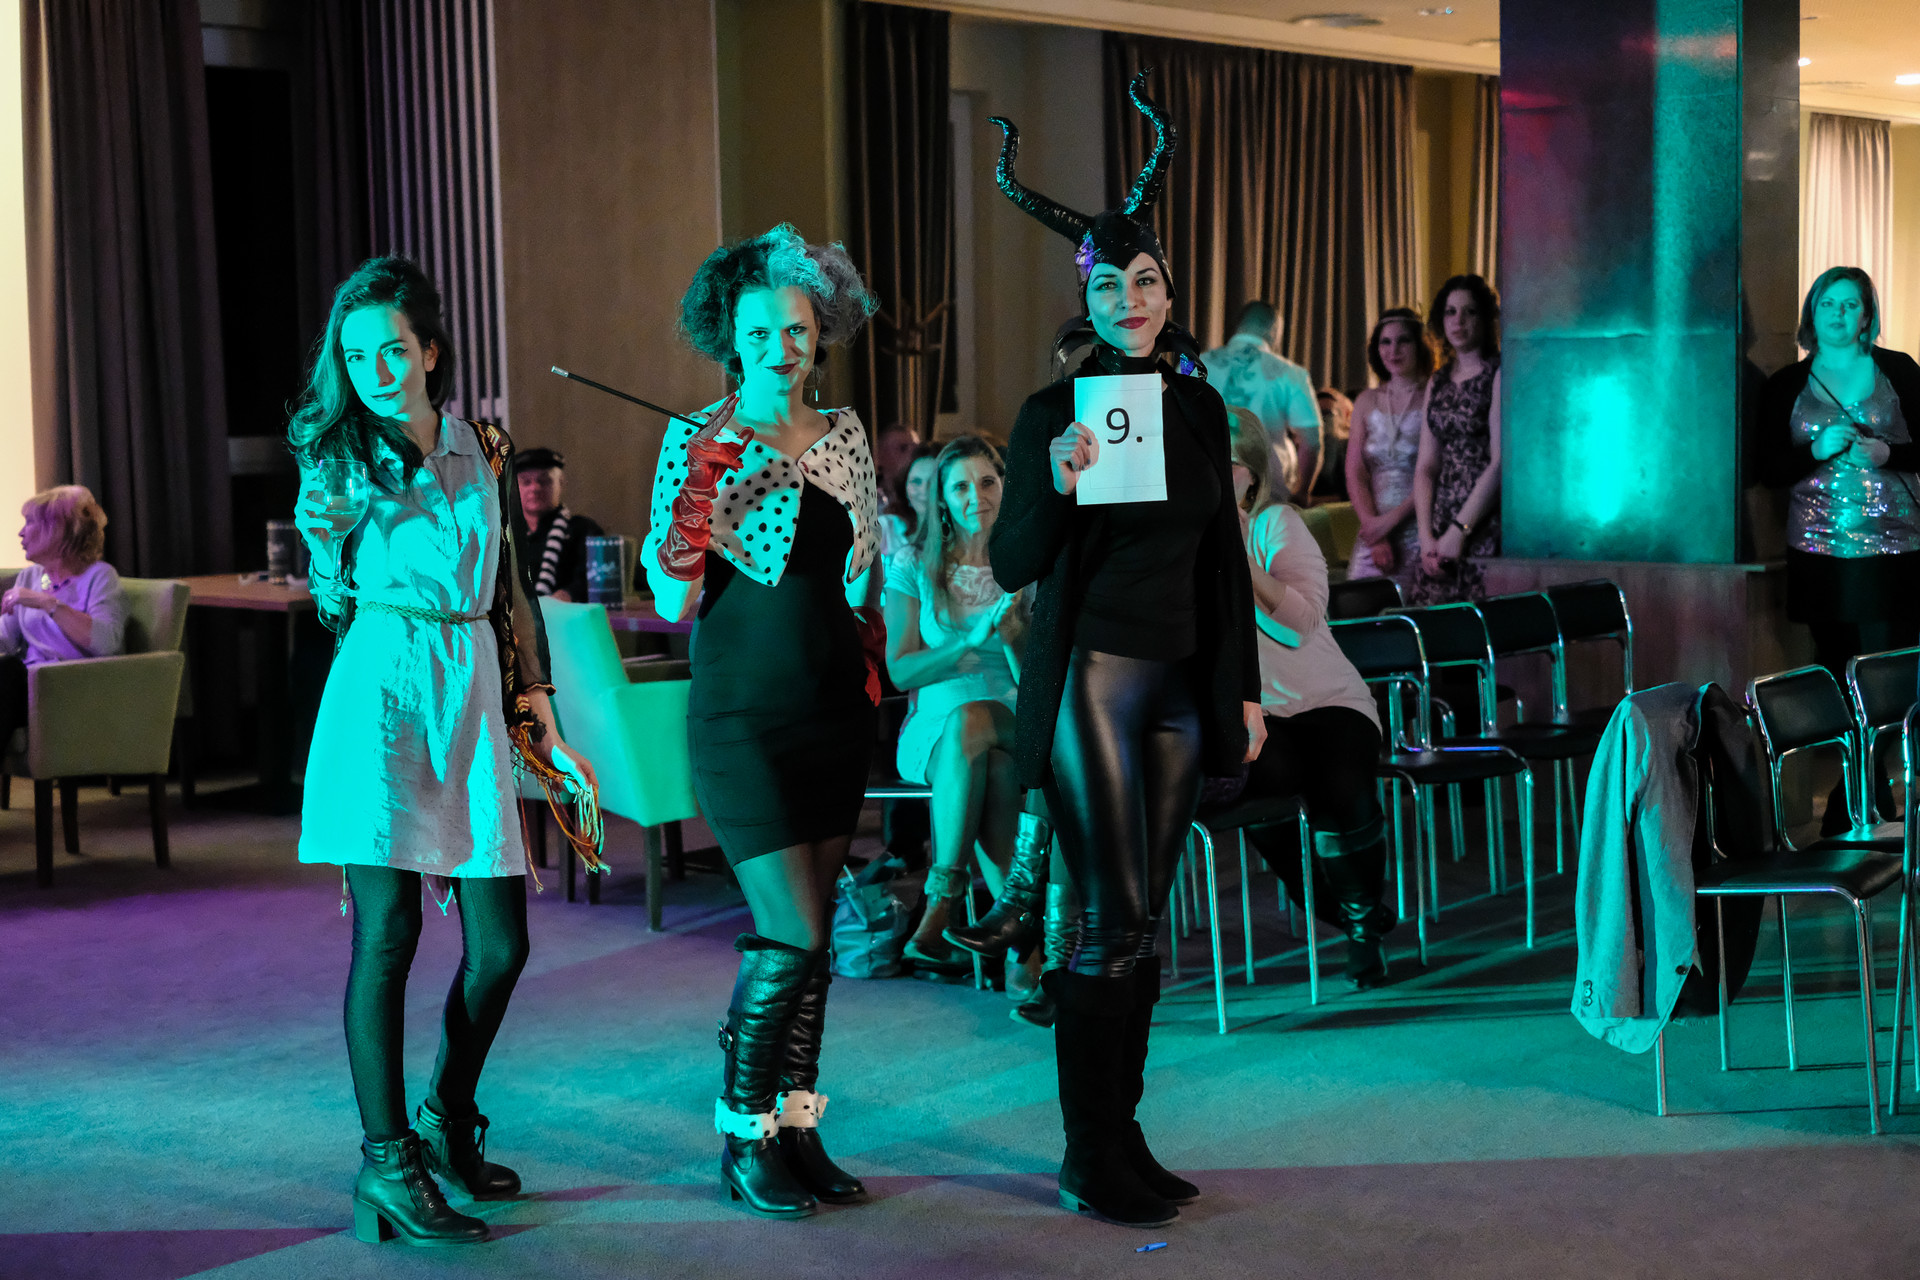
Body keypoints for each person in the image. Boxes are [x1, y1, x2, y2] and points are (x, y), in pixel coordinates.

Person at [986, 71, 1263, 1229]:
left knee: (1145, 917)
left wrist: (1243, 692)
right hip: (1093, 680)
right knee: (1107, 916)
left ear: (1167, 292)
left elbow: (1225, 559)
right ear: (1087, 299)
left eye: (1146, 280)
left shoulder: (1197, 407)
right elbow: (1011, 561)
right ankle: (1087, 1149)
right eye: (1111, 284)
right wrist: (1056, 484)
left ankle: (1124, 1129)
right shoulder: (1052, 414)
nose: (1131, 298)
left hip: (1184, 682)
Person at [289, 257, 598, 1248]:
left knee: (501, 946)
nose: (375, 370)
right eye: (356, 356)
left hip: (470, 690)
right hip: (382, 688)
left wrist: (540, 715)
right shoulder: (339, 453)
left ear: (429, 350)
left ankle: (446, 1116)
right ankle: (388, 1163)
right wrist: (325, 536)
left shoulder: (483, 445)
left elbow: (510, 593)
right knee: (387, 936)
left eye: (392, 349)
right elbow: (329, 579)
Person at [645, 223, 881, 1220]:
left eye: (796, 328)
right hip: (741, 717)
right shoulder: (697, 437)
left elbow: (861, 574)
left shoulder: (847, 434)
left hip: (833, 711)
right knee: (788, 930)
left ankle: (796, 1123)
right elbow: (670, 597)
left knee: (815, 936)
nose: (779, 346)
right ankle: (743, 1136)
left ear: (819, 334)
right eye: (759, 331)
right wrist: (702, 484)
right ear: (729, 338)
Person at [1227, 409, 1394, 986]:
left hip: (1327, 699)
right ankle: (1349, 914)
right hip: (1259, 711)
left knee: (1339, 783)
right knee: (1253, 781)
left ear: (1253, 474)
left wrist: (1239, 561)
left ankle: (1364, 932)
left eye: (1226, 463)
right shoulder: (1181, 545)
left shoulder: (1275, 523)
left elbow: (1300, 624)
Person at [1758, 266, 1920, 828]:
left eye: (1850, 304)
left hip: (1895, 549)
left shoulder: (1899, 370)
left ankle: (1868, 789)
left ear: (1867, 315)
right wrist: (1816, 449)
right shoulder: (1786, 383)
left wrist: (1889, 454)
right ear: (1813, 313)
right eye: (1828, 303)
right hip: (1818, 552)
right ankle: (1860, 793)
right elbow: (1767, 468)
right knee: (1836, 672)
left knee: (1889, 676)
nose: (1838, 313)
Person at [883, 436, 1032, 984]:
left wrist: (1012, 636)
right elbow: (901, 671)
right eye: (961, 487)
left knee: (976, 723)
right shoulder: (912, 564)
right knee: (986, 761)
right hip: (934, 727)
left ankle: (941, 901)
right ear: (943, 499)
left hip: (1013, 713)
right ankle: (1026, 948)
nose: (977, 496)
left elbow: (1039, 683)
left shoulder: (1027, 563)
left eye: (987, 482)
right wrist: (965, 641)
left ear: (1005, 487)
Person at [0, 486, 127, 746]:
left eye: (30, 522)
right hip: (31, 683)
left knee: (8, 673)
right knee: (7, 671)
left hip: (75, 685)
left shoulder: (100, 577)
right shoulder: (30, 577)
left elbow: (107, 644)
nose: (21, 532)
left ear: (58, 529)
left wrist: (48, 603)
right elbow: (6, 640)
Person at [1410, 275, 1503, 605]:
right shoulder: (1438, 380)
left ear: (1485, 319)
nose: (1458, 321)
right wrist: (1426, 536)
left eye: (1469, 312)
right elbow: (1426, 466)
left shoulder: (1499, 373)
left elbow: (1500, 463)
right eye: (1450, 312)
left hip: (1483, 517)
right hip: (1440, 520)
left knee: (1477, 619)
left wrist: (1459, 530)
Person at [1347, 308, 1435, 586]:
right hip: (1374, 534)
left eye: (1403, 341)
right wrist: (1375, 532)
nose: (1393, 350)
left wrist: (1390, 522)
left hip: (1421, 529)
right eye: (1385, 342)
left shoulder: (1435, 395)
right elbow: (1355, 472)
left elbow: (1434, 471)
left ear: (1419, 345)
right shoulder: (1366, 400)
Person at [1201, 299, 1323, 500]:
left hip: (1204, 489)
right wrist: (1302, 492)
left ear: (1239, 327)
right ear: (1274, 332)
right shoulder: (1290, 374)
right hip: (1266, 493)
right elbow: (1311, 441)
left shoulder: (1193, 364)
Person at [511, 446, 606, 602]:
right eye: (526, 482)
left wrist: (566, 596)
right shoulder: (505, 537)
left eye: (544, 481)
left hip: (567, 614)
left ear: (561, 484)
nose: (535, 488)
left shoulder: (583, 530)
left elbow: (596, 581)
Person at [1310, 387, 1352, 502]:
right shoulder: (1300, 445)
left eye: (1329, 414)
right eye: (1320, 414)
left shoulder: (1344, 448)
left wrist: (1309, 500)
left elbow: (1347, 496)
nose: (1324, 420)